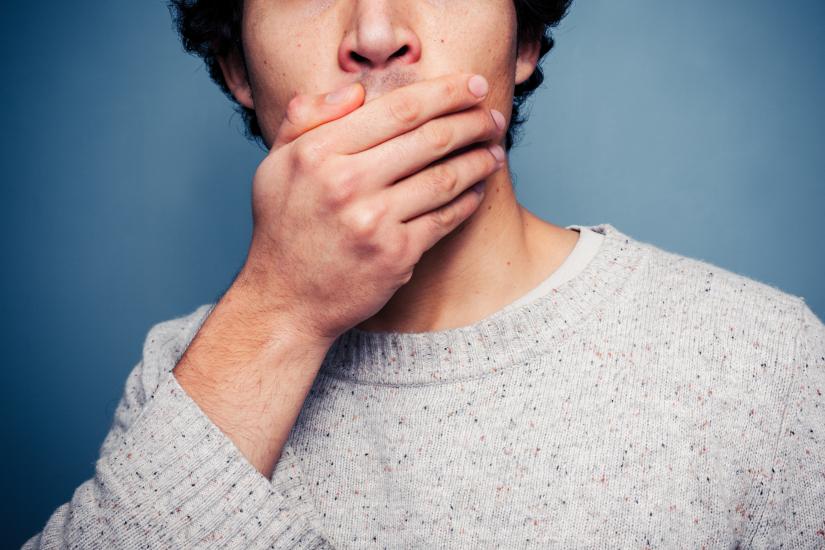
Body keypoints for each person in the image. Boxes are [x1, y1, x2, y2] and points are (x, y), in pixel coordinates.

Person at [25, 0, 824, 547]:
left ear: (523, 43)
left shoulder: (763, 358)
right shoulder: (190, 372)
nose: (375, 33)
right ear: (238, 67)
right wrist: (281, 311)